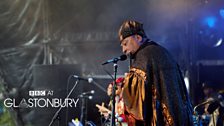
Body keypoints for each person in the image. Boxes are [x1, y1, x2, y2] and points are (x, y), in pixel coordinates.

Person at [118, 20, 194, 126]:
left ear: (138, 38)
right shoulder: (163, 52)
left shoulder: (143, 58)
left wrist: (122, 91)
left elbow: (136, 106)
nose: (124, 50)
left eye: (125, 44)